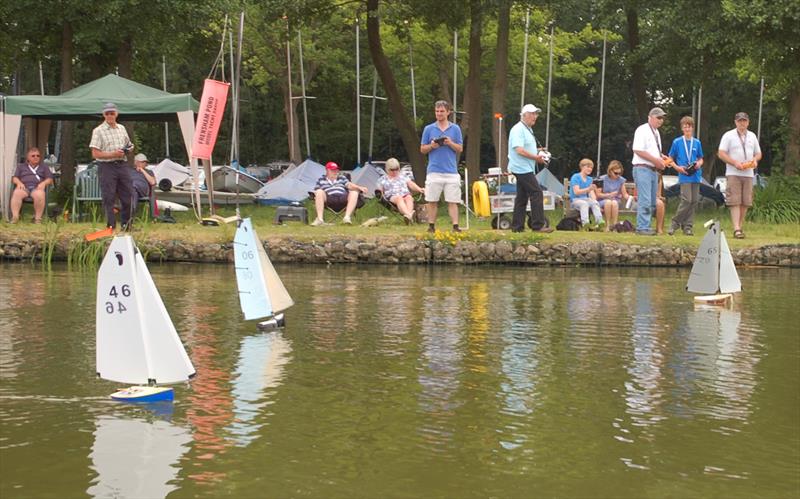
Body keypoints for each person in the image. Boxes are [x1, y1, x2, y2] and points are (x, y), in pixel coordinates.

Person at [506, 103, 554, 233]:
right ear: (524, 115)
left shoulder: (527, 129)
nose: (535, 116)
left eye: (536, 114)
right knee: (536, 192)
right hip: (521, 168)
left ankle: (517, 227)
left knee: (522, 197)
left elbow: (525, 147)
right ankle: (538, 225)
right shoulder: (518, 129)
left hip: (525, 167)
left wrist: (539, 150)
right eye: (532, 114)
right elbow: (519, 150)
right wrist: (536, 158)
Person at [89, 102, 135, 230]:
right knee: (109, 196)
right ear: (104, 115)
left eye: (112, 113)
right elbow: (95, 153)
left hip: (122, 164)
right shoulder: (98, 131)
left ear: (116, 114)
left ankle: (127, 224)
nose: (110, 116)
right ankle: (111, 225)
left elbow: (129, 144)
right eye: (107, 114)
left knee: (128, 195)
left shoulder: (122, 128)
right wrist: (112, 154)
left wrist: (127, 149)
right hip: (106, 166)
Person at [420, 100, 464, 233]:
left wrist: (450, 143)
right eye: (437, 111)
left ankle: (455, 226)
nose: (439, 114)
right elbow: (422, 149)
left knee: (453, 200)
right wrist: (432, 146)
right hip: (434, 170)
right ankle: (431, 226)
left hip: (451, 170)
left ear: (448, 112)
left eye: (442, 111)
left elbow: (460, 148)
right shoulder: (428, 129)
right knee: (431, 200)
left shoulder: (455, 129)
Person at [718, 112, 762, 239]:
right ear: (735, 122)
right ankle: (736, 228)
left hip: (748, 173)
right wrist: (735, 162)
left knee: (746, 202)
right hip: (733, 172)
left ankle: (739, 227)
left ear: (748, 122)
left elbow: (758, 153)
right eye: (739, 121)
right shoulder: (728, 135)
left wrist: (755, 160)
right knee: (735, 201)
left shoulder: (752, 136)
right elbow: (721, 153)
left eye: (744, 121)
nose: (742, 123)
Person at [632, 107, 669, 235]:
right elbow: (638, 150)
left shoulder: (656, 132)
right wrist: (655, 160)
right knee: (645, 199)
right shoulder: (642, 130)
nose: (661, 120)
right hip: (642, 168)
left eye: (662, 118)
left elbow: (652, 150)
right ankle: (642, 227)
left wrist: (661, 157)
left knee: (653, 201)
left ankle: (646, 225)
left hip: (653, 170)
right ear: (650, 117)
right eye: (658, 117)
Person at [667, 116, 704, 235]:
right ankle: (675, 223)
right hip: (684, 174)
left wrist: (699, 163)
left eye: (689, 126)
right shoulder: (677, 142)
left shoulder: (696, 142)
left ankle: (688, 226)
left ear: (692, 128)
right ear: (682, 128)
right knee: (687, 200)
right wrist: (677, 167)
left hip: (696, 174)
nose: (687, 128)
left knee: (694, 201)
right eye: (685, 126)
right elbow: (670, 158)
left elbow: (700, 158)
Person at [311, 161, 368, 226]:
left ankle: (347, 218)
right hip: (329, 199)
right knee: (319, 192)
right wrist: (315, 194)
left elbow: (349, 185)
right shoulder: (321, 179)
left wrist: (359, 187)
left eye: (336, 170)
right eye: (333, 170)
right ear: (327, 170)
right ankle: (320, 219)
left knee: (354, 192)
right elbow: (316, 190)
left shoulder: (342, 178)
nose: (336, 172)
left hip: (342, 198)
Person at [10, 147, 53, 224]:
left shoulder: (44, 167)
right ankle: (15, 217)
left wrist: (43, 183)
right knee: (17, 193)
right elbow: (14, 178)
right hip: (24, 187)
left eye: (38, 156)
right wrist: (19, 183)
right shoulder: (21, 166)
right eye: (33, 156)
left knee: (40, 194)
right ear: (28, 157)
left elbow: (49, 179)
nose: (36, 157)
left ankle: (37, 219)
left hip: (37, 188)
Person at [377, 158, 425, 223]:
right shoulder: (383, 179)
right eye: (392, 170)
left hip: (405, 194)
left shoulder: (403, 176)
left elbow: (411, 184)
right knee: (399, 198)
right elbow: (380, 190)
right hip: (392, 196)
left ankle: (408, 216)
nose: (394, 172)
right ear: (387, 169)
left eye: (396, 169)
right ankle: (409, 215)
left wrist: (419, 189)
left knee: (409, 197)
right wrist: (380, 195)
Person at [569, 158, 604, 228]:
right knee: (584, 204)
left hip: (586, 199)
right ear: (582, 167)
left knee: (594, 202)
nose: (590, 169)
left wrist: (594, 201)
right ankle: (585, 224)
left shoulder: (590, 179)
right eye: (588, 167)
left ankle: (599, 222)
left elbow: (591, 193)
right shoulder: (576, 177)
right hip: (575, 200)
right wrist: (588, 189)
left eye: (591, 168)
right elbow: (576, 192)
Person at [595, 160, 630, 231]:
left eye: (620, 173)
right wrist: (609, 195)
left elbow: (625, 194)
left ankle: (615, 225)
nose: (618, 175)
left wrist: (631, 198)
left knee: (614, 203)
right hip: (603, 200)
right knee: (608, 202)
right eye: (616, 173)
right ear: (610, 171)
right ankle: (607, 225)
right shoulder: (602, 179)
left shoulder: (621, 180)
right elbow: (598, 194)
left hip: (615, 200)